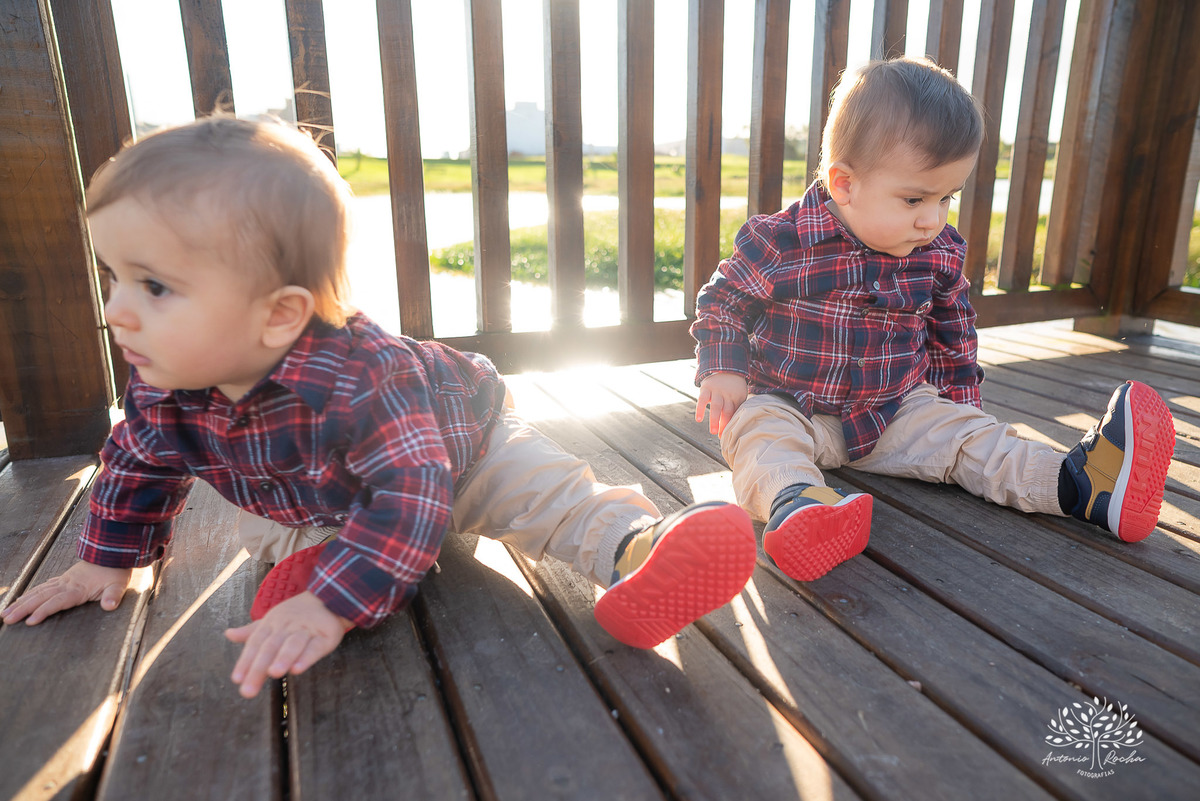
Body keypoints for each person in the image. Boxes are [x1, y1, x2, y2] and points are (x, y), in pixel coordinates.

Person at [0, 116, 757, 698]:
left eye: (153, 286)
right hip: (313, 498)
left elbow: (412, 490)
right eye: (115, 278)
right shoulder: (163, 382)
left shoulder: (364, 377)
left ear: (279, 314)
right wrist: (106, 560)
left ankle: (638, 549)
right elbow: (136, 460)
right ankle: (340, 568)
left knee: (544, 492)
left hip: (464, 449)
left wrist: (332, 604)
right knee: (269, 535)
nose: (116, 312)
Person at [691, 56, 1175, 583]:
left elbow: (953, 334)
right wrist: (723, 369)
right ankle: (800, 505)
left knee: (971, 440)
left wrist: (961, 408)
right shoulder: (780, 241)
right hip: (790, 402)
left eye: (948, 197)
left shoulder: (937, 251)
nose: (933, 217)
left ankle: (1081, 485)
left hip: (893, 409)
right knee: (758, 434)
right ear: (845, 183)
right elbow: (724, 302)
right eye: (915, 198)